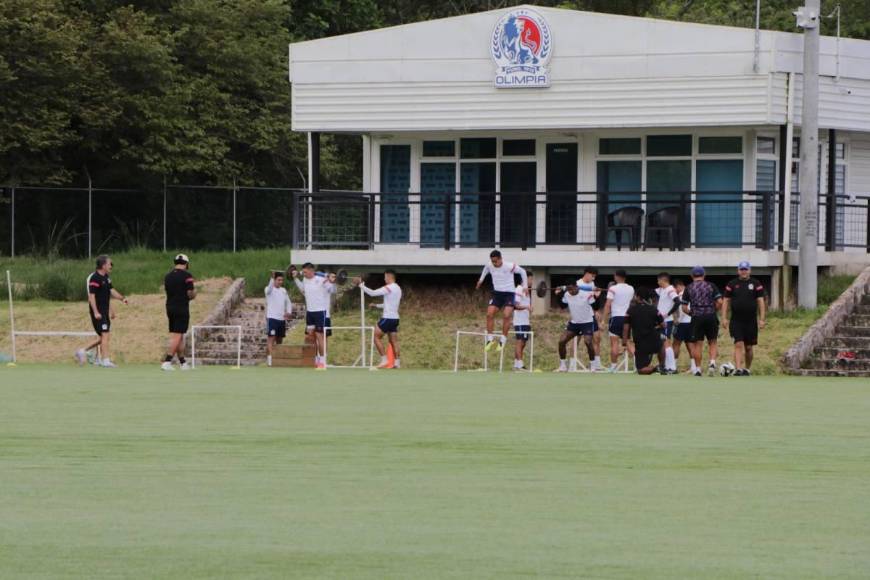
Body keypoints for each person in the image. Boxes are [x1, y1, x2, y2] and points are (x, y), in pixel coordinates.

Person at [76, 254, 129, 368]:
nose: (111, 266)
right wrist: (95, 312)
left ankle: (83, 350)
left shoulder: (106, 278)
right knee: (105, 335)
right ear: (103, 265)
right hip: (98, 312)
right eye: (110, 264)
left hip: (104, 312)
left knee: (104, 337)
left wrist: (122, 299)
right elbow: (92, 296)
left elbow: (111, 291)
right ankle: (105, 360)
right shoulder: (95, 278)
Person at [475, 250, 528, 352]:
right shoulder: (490, 265)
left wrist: (525, 286)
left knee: (506, 315)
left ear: (500, 259)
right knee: (489, 314)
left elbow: (523, 271)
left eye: (495, 261)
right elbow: (485, 269)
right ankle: (490, 339)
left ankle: (503, 340)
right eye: (492, 261)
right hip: (497, 294)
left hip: (509, 294)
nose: (494, 263)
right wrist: (480, 280)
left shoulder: (509, 266)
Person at [722, 261, 766, 376]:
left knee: (749, 347)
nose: (743, 271)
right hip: (736, 320)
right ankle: (738, 369)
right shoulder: (732, 284)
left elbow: (761, 302)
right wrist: (724, 318)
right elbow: (726, 301)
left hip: (751, 321)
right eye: (741, 269)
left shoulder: (756, 284)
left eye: (746, 269)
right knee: (738, 344)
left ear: (749, 270)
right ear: (738, 271)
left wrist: (762, 319)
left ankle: (747, 369)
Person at [291, 262, 335, 369]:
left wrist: (331, 281)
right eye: (303, 272)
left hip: (320, 312)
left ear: (311, 271)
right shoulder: (305, 279)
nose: (304, 274)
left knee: (320, 336)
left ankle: (323, 362)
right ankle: (315, 360)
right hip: (310, 312)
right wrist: (295, 278)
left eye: (305, 272)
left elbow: (332, 290)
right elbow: (303, 289)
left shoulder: (321, 279)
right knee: (311, 337)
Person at [682, 266, 723, 377]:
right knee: (713, 341)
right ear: (704, 275)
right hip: (710, 315)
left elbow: (684, 308)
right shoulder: (711, 285)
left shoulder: (689, 287)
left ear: (692, 276)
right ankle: (712, 362)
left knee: (697, 344)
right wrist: (714, 310)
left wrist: (692, 313)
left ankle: (698, 369)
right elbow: (720, 301)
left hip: (697, 317)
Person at [360, 270, 402, 369]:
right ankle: (397, 363)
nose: (384, 279)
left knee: (375, 336)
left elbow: (372, 293)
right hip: (395, 319)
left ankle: (384, 360)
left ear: (389, 277)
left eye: (385, 277)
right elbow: (389, 304)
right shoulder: (398, 288)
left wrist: (361, 285)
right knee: (393, 341)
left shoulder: (389, 287)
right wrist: (376, 305)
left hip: (387, 318)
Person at [161, 254, 196, 371]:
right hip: (181, 307)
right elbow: (190, 293)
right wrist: (194, 294)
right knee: (177, 335)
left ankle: (182, 362)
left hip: (170, 307)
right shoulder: (187, 276)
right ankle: (167, 361)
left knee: (180, 335)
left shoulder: (168, 276)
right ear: (186, 264)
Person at [554, 281, 598, 373]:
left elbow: (596, 307)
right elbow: (563, 306)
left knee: (588, 342)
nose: (570, 291)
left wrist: (596, 296)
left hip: (587, 322)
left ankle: (593, 365)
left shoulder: (586, 294)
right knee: (561, 341)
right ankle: (563, 366)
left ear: (576, 287)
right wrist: (558, 295)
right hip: (574, 323)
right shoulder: (567, 294)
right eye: (569, 289)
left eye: (572, 289)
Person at [623, 287, 666, 375]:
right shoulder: (654, 309)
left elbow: (626, 327)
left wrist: (624, 341)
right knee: (661, 342)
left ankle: (656, 368)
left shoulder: (630, 310)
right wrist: (656, 326)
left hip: (641, 342)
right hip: (654, 339)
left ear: (638, 297)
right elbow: (663, 325)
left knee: (641, 369)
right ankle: (662, 365)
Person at [603, 269, 634, 372]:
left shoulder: (613, 288)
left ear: (616, 276)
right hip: (627, 318)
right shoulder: (631, 288)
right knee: (628, 342)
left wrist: (603, 320)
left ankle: (613, 367)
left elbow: (608, 305)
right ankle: (638, 365)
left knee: (614, 343)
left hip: (616, 317)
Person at [265, 271, 293, 367]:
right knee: (271, 339)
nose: (280, 282)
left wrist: (289, 312)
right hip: (272, 318)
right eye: (278, 280)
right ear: (274, 280)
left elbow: (288, 302)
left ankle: (278, 360)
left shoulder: (283, 290)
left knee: (280, 340)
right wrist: (271, 278)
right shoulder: (268, 289)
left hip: (281, 319)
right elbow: (269, 290)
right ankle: (270, 361)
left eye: (282, 280)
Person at [655, 272, 680, 374]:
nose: (657, 282)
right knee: (664, 343)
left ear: (662, 280)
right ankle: (667, 366)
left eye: (658, 280)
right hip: (662, 321)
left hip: (667, 321)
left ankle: (672, 367)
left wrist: (668, 314)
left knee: (666, 343)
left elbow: (677, 301)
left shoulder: (670, 289)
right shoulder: (663, 290)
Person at [672, 279, 697, 374]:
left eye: (675, 289)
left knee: (676, 344)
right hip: (692, 322)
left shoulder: (680, 295)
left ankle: (673, 366)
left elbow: (682, 309)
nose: (675, 291)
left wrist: (677, 320)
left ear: (678, 286)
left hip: (682, 322)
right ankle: (694, 367)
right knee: (690, 344)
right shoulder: (692, 292)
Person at [512, 271, 533, 371]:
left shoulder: (526, 291)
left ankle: (516, 364)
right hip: (519, 321)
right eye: (530, 279)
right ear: (525, 279)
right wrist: (527, 307)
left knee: (523, 343)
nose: (531, 281)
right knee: (520, 342)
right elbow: (515, 306)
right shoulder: (519, 289)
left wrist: (528, 308)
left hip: (526, 321)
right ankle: (520, 365)